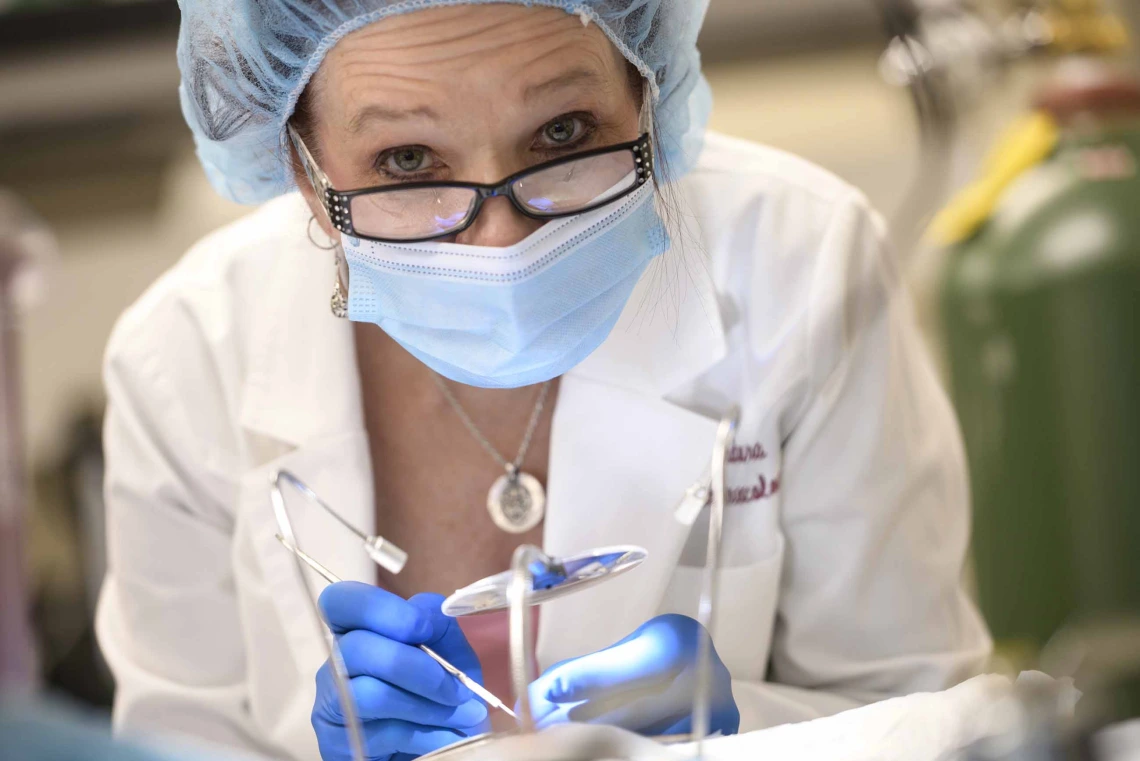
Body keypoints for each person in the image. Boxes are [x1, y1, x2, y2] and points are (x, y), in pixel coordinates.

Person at [95, 2, 992, 760]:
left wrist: (740, 729)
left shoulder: (800, 265)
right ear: (302, 167)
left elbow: (927, 713)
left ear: (652, 94)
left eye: (563, 134)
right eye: (408, 161)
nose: (503, 239)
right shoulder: (185, 361)